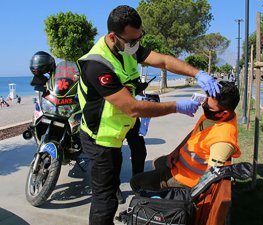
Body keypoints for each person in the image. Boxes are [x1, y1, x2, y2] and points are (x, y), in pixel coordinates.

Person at [76, 5, 220, 225]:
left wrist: (197, 73)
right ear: (113, 37)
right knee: (105, 199)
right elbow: (132, 107)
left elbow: (162, 60)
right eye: (132, 41)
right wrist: (177, 106)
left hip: (117, 131)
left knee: (118, 176)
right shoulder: (97, 65)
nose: (137, 45)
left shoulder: (127, 48)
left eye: (139, 37)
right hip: (100, 139)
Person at [130, 81, 241, 192]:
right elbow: (195, 132)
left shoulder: (223, 141)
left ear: (224, 113)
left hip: (186, 180)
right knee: (157, 162)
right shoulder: (215, 117)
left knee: (136, 182)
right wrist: (176, 151)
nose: (204, 105)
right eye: (206, 100)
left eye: (209, 107)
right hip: (179, 164)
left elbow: (209, 178)